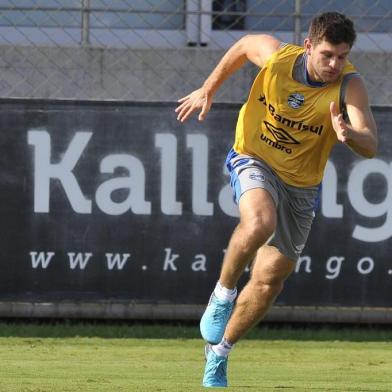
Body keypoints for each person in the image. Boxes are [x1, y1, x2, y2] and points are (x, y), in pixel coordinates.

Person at [175, 12, 377, 388]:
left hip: (301, 187)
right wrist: (209, 88)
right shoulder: (277, 57)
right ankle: (222, 294)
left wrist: (349, 135)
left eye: (342, 56)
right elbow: (241, 46)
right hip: (254, 157)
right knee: (259, 222)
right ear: (308, 47)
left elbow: (371, 144)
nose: (335, 64)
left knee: (270, 279)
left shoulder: (350, 86)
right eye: (328, 54)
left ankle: (218, 353)